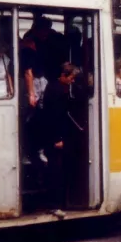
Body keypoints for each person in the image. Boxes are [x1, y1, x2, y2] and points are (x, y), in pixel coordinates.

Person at [43, 63, 83, 214]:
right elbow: (54, 117)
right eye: (72, 78)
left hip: (57, 135)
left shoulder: (58, 87)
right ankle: (54, 205)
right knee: (56, 169)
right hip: (55, 137)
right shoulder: (56, 91)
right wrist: (58, 139)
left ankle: (59, 203)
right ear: (64, 75)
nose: (73, 81)